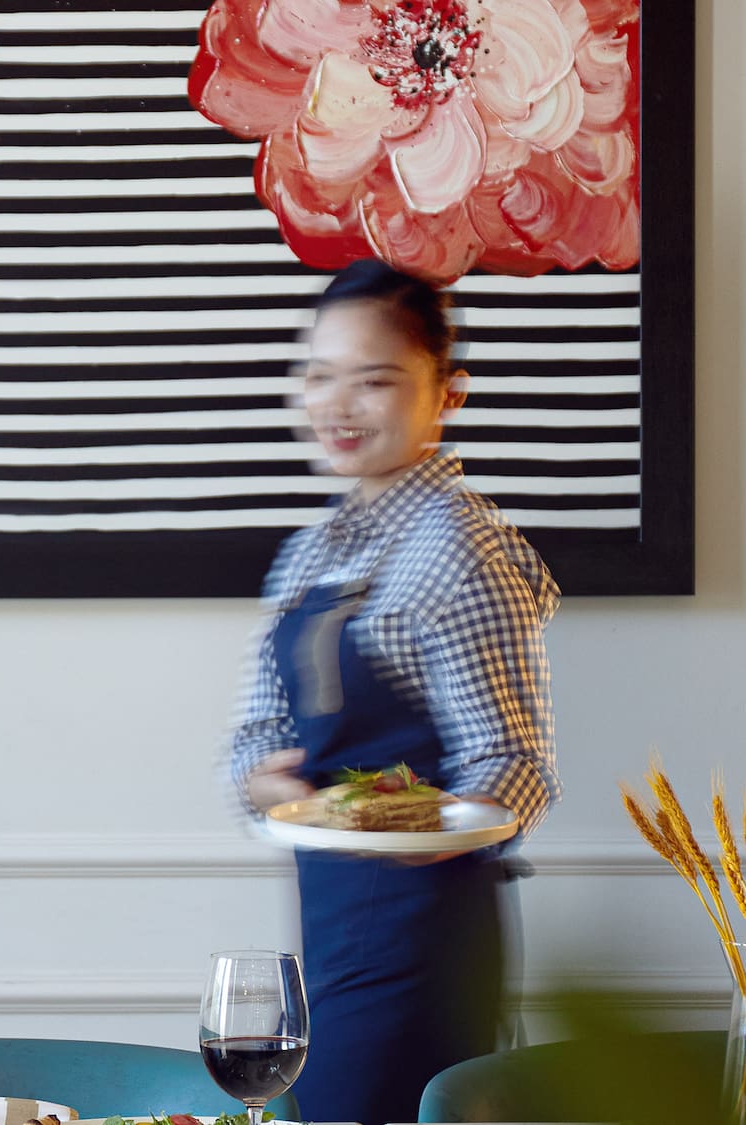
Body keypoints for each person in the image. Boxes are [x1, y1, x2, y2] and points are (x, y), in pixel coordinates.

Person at [225, 260, 561, 1123]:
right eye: (321, 376)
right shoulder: (308, 553)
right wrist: (271, 784)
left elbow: (514, 758)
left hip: (426, 929)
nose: (339, 404)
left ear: (448, 392)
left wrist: (431, 827)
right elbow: (258, 730)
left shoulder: (463, 546)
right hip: (329, 919)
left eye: (374, 381)